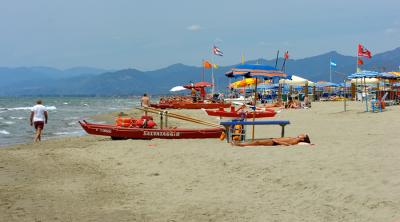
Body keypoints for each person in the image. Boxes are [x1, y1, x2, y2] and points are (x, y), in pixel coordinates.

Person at [233, 134, 311, 146]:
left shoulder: (296, 141)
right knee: (258, 141)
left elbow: (287, 144)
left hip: (274, 142)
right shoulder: (295, 138)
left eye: (302, 135)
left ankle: (241, 145)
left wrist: (277, 141)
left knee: (258, 142)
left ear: (302, 138)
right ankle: (241, 143)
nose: (301, 134)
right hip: (274, 140)